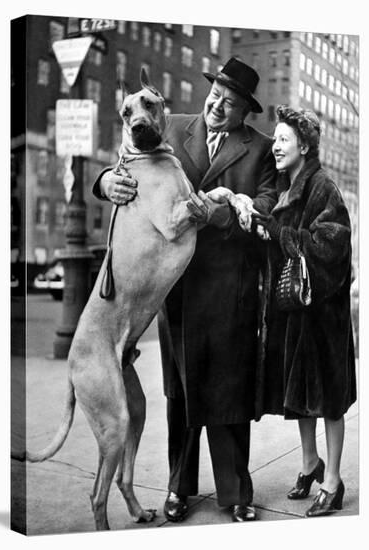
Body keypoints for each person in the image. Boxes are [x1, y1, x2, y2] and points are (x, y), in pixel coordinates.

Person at [93, 57, 277, 522]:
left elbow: (267, 207)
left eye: (230, 103)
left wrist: (218, 214)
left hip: (229, 289)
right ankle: (179, 487)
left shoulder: (260, 149)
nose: (218, 106)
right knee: (181, 393)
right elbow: (122, 162)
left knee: (229, 393)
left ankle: (235, 494)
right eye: (216, 95)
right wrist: (104, 181)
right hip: (175, 287)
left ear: (244, 112)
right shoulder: (166, 124)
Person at [254, 105, 356, 517]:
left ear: (305, 145)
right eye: (275, 139)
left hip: (322, 318)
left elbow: (331, 248)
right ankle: (309, 464)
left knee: (328, 399)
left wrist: (278, 232)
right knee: (300, 397)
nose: (275, 146)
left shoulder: (322, 187)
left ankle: (332, 480)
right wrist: (266, 231)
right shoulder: (285, 186)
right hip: (294, 310)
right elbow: (282, 248)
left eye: (282, 140)